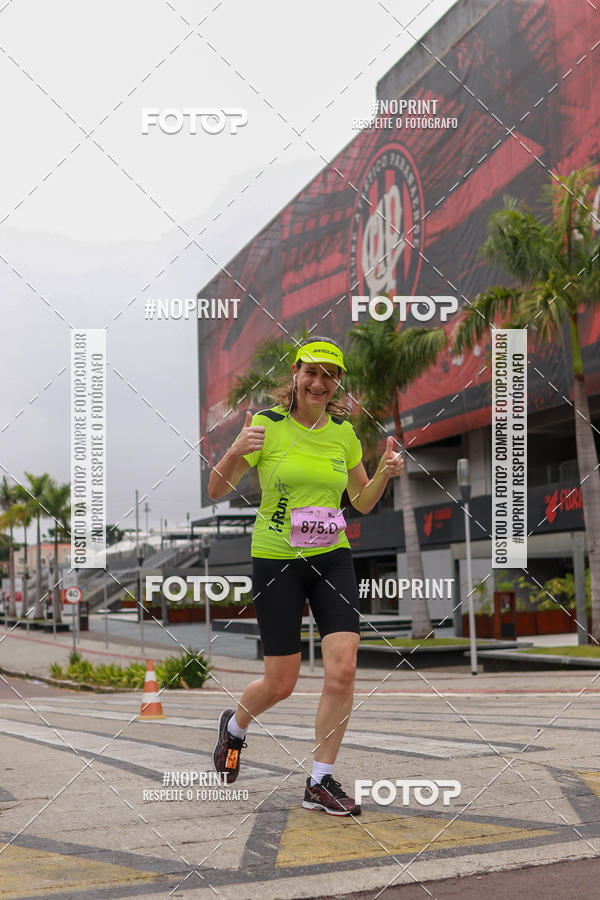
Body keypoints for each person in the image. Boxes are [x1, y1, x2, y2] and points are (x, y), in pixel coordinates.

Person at [208, 336, 404, 816]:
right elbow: (216, 490)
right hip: (277, 561)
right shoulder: (267, 426)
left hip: (332, 557)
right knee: (282, 682)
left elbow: (360, 502)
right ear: (294, 374)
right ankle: (234, 727)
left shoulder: (343, 433)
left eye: (329, 374)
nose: (319, 382)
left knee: (344, 668)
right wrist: (235, 450)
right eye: (311, 372)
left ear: (337, 382)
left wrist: (383, 471)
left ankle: (320, 780)